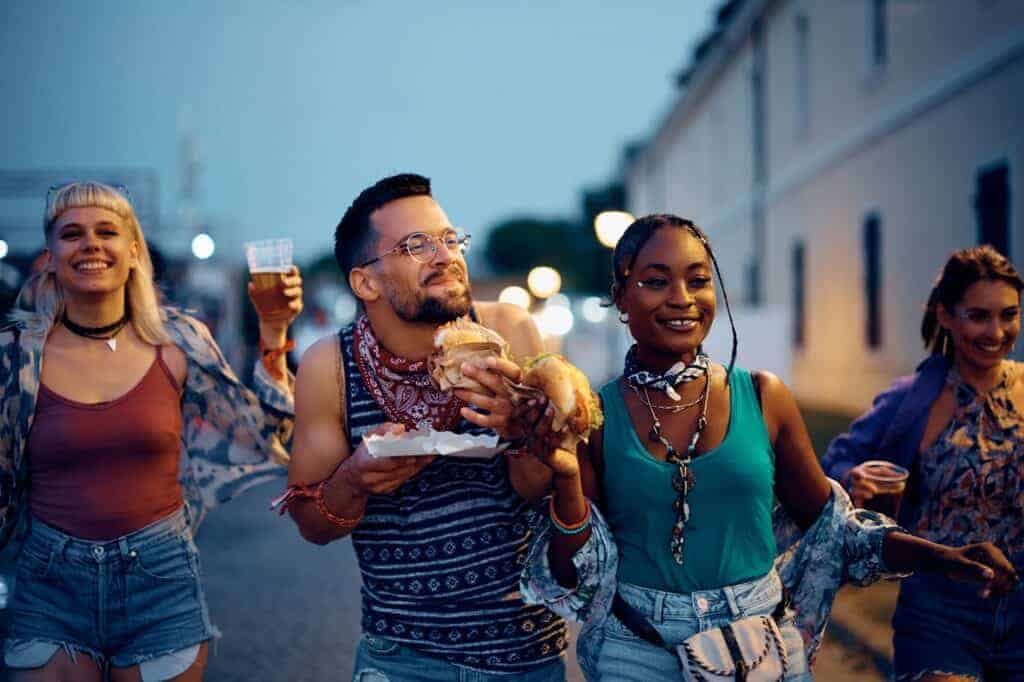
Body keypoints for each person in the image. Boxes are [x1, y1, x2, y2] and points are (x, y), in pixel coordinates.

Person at [503, 215, 1018, 681]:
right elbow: (576, 572)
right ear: (621, 297)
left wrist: (942, 556)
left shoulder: (764, 397)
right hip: (637, 651)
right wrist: (566, 477)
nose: (683, 297)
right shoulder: (595, 415)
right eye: (656, 281)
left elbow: (835, 531)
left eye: (699, 280)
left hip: (760, 648)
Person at [0, 181, 302, 681]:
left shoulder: (178, 343)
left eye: (107, 232)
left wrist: (273, 330)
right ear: (50, 255)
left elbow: (267, 431)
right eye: (71, 234)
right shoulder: (15, 354)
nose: (91, 244)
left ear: (134, 249)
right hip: (49, 585)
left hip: (159, 582)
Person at [280, 173, 567, 681]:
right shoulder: (330, 367)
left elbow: (549, 486)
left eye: (449, 239)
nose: (445, 256)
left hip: (525, 653)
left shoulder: (510, 332)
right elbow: (310, 522)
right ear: (366, 281)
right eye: (417, 245)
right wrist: (354, 479)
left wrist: (524, 428)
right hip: (400, 658)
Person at [822, 244, 1024, 682]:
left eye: (1008, 314)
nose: (997, 330)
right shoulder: (912, 400)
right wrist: (852, 478)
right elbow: (835, 461)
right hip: (938, 613)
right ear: (946, 316)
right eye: (978, 315)